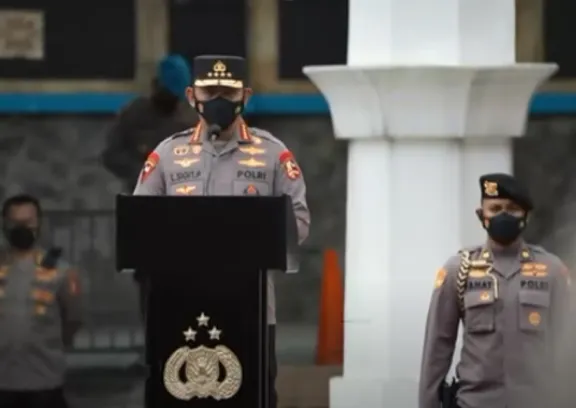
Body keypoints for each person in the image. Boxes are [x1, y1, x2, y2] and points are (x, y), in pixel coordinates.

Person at [133, 54, 310, 408]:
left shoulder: (273, 154)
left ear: (245, 95)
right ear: (191, 95)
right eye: (209, 91)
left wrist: (250, 234)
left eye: (227, 93)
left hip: (251, 309)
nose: (218, 100)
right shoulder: (167, 154)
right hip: (180, 306)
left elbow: (300, 224)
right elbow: (140, 223)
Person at [419, 173, 570, 408]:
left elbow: (568, 347)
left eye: (512, 209)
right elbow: (437, 349)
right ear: (482, 215)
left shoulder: (552, 271)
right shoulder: (459, 270)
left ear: (526, 215)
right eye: (495, 209)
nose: (504, 215)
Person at [0, 194, 83, 408]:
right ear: (4, 225)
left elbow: (73, 318)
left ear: (39, 224)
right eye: (15, 223)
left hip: (45, 380)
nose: (22, 228)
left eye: (28, 222)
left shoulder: (61, 271)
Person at [102, 54, 198, 192]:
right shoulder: (135, 114)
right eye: (169, 95)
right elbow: (111, 155)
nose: (173, 103)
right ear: (156, 85)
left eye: (177, 98)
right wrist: (142, 172)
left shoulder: (192, 120)